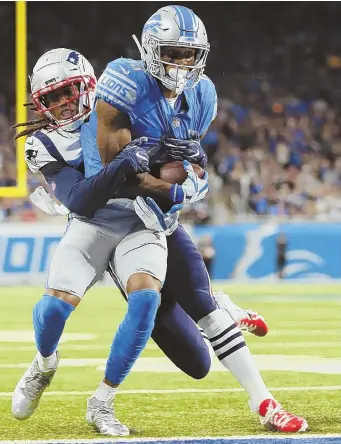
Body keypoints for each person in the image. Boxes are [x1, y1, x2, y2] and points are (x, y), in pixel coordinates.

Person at [82, 5, 307, 434]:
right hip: (115, 221)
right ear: (149, 50)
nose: (181, 64)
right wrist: (176, 186)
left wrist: (193, 178)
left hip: (159, 219)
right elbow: (118, 174)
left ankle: (265, 403)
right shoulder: (123, 82)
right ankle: (220, 303)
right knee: (195, 360)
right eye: (171, 52)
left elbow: (182, 164)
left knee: (203, 310)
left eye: (190, 55)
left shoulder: (204, 94)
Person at [10, 47, 210, 436]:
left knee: (147, 300)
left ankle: (102, 401)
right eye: (51, 98)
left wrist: (192, 153)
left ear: (89, 85)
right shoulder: (43, 143)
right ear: (40, 103)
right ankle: (44, 363)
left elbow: (175, 147)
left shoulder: (122, 104)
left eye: (68, 91)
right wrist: (124, 162)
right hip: (91, 223)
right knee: (53, 310)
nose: (63, 104)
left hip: (139, 219)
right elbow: (81, 199)